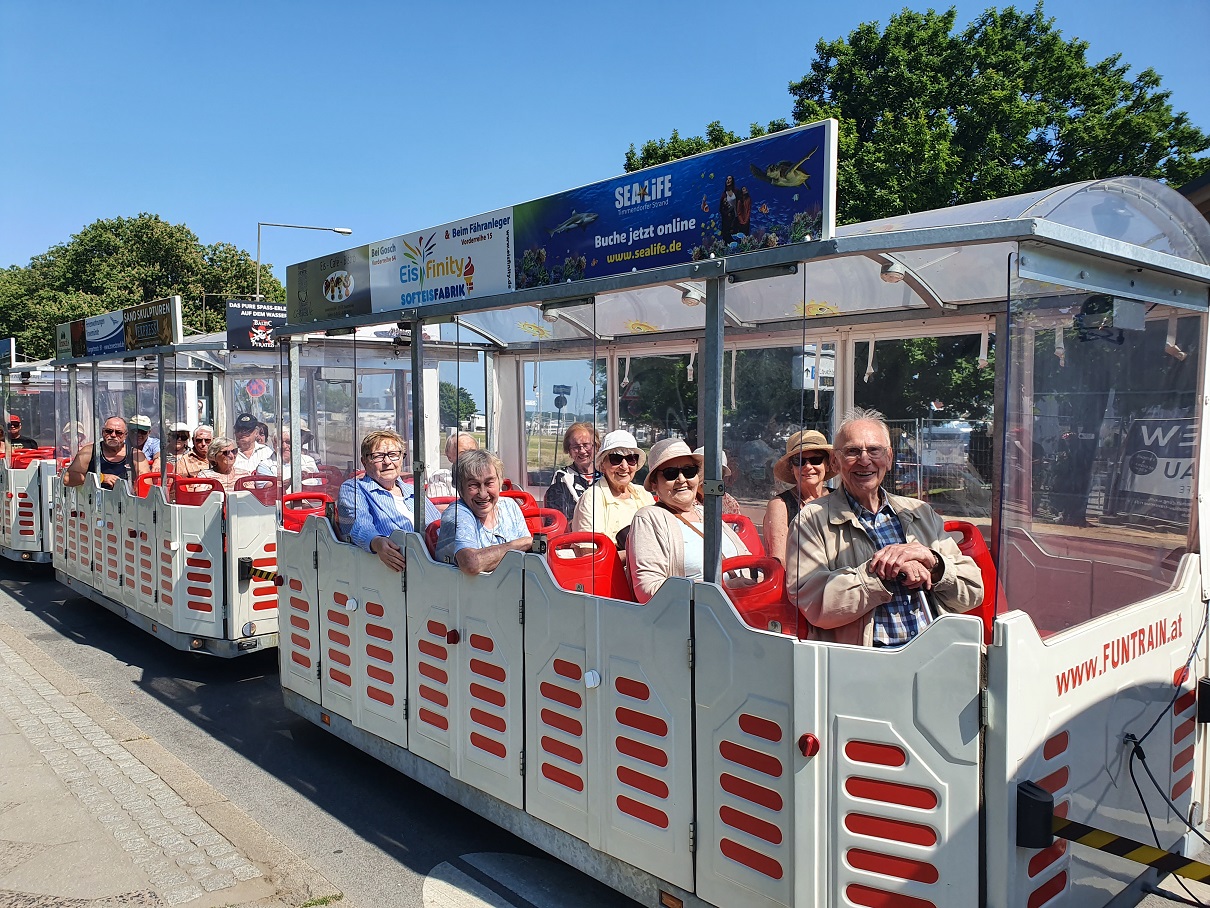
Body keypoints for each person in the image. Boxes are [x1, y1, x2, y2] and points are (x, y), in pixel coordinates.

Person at [786, 408, 982, 647]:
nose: (865, 460)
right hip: (868, 662)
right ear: (836, 463)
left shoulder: (921, 513)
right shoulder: (811, 520)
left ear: (888, 458)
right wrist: (883, 571)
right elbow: (812, 602)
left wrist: (932, 562)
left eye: (874, 450)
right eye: (852, 451)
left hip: (936, 651)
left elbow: (973, 591)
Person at [627, 438, 748, 604]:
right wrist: (719, 588)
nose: (682, 479)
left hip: (742, 608)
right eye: (670, 473)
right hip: (697, 618)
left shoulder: (707, 513)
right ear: (655, 484)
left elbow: (748, 559)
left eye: (689, 471)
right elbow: (648, 589)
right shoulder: (649, 518)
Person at [337, 429, 440, 573]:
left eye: (393, 455)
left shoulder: (412, 491)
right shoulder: (354, 488)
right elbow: (358, 525)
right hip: (397, 572)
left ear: (402, 458)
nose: (387, 462)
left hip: (434, 564)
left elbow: (438, 523)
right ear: (364, 461)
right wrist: (377, 542)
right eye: (378, 456)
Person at [437, 449, 532, 576]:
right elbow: (470, 563)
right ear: (460, 488)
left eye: (489, 483)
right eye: (474, 485)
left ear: (500, 482)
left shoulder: (509, 506)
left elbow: (529, 555)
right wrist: (518, 544)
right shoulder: (456, 513)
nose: (483, 494)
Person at [572, 430, 654, 557]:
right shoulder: (592, 499)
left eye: (631, 459)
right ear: (602, 465)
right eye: (616, 459)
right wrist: (641, 554)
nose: (624, 466)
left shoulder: (644, 494)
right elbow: (590, 555)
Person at [763, 430, 833, 565]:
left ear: (828, 464)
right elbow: (780, 562)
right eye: (799, 461)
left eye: (816, 459)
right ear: (791, 468)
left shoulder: (841, 498)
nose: (807, 466)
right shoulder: (780, 505)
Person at [63, 417, 151, 489]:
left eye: (118, 432)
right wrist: (101, 478)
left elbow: (146, 483)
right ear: (102, 432)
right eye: (109, 431)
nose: (113, 435)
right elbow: (68, 478)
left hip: (125, 504)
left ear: (125, 435)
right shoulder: (89, 451)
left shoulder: (136, 455)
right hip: (94, 504)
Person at [544, 422, 599, 521]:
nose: (582, 451)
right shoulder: (562, 477)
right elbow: (556, 518)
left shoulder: (605, 475)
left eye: (586, 445)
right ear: (569, 451)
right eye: (576, 447)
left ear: (596, 447)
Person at [427, 431, 478, 500]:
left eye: (473, 452)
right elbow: (440, 508)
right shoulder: (441, 477)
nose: (469, 457)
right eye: (463, 453)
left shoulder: (487, 476)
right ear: (449, 456)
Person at [693, 447, 741, 515]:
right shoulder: (684, 500)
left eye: (718, 474)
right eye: (706, 472)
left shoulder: (729, 503)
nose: (711, 478)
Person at [719, 175, 739, 241]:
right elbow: (721, 208)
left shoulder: (736, 191)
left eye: (729, 179)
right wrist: (727, 213)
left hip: (737, 217)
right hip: (728, 219)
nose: (728, 180)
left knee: (738, 235)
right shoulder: (724, 194)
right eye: (727, 179)